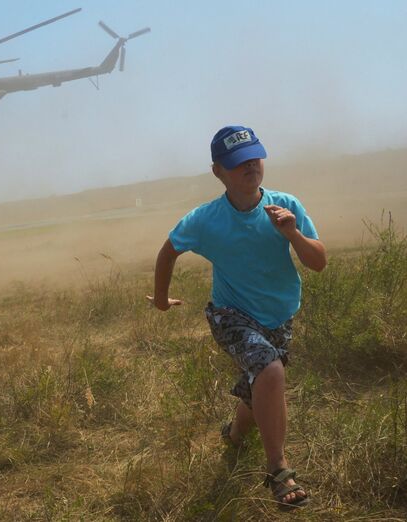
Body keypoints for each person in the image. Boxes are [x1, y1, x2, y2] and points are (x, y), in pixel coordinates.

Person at [147, 125, 326, 511]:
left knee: (259, 385)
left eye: (254, 157)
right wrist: (161, 300)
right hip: (230, 315)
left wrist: (292, 234)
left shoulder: (285, 206)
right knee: (270, 370)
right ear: (219, 172)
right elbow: (168, 251)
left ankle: (234, 434)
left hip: (279, 316)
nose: (250, 167)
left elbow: (319, 262)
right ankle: (279, 469)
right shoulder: (205, 219)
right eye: (238, 163)